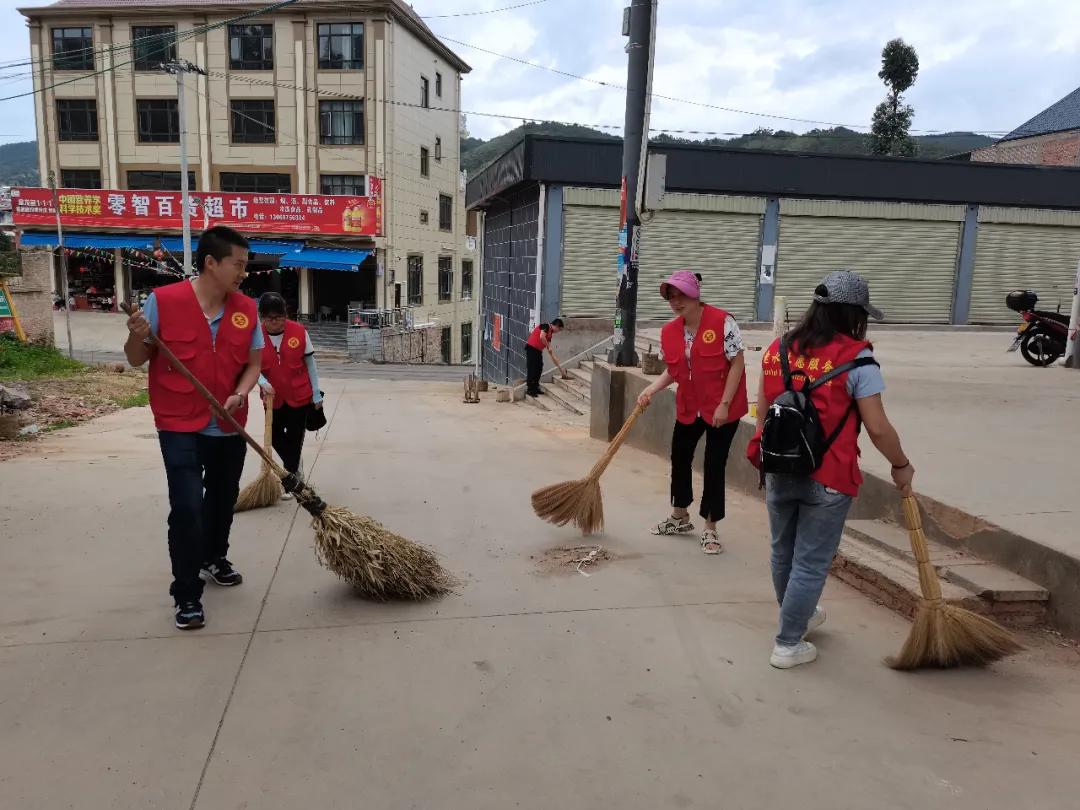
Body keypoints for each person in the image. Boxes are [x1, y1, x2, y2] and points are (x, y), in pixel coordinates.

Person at [748, 270, 914, 670]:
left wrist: (762, 459)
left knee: (782, 552)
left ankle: (799, 617)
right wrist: (901, 465)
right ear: (852, 314)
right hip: (830, 476)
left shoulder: (778, 349)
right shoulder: (858, 359)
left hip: (779, 469)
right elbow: (877, 427)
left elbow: (762, 410)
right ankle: (788, 643)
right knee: (810, 561)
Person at [124, 226, 263, 631]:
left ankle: (213, 556)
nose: (243, 272)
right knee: (186, 507)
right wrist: (136, 337)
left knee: (222, 500)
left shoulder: (246, 309)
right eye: (238, 264)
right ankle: (186, 594)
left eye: (244, 264)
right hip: (178, 422)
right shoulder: (163, 302)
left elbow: (253, 363)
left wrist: (241, 392)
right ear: (211, 263)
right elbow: (136, 358)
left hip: (228, 423)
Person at [637, 270, 748, 555]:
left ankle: (710, 529)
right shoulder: (670, 331)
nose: (676, 302)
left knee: (714, 464)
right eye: (671, 297)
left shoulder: (723, 322)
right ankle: (679, 516)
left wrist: (724, 404)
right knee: (680, 457)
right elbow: (673, 372)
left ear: (695, 294)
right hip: (690, 407)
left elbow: (736, 364)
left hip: (723, 407)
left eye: (681, 295)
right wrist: (651, 390)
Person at [256, 292, 322, 499]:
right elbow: (251, 366)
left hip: (299, 395)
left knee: (295, 439)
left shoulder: (299, 331)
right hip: (271, 397)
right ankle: (294, 465)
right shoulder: (255, 335)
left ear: (286, 315)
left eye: (279, 317)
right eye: (269, 318)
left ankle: (291, 478)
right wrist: (263, 383)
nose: (275, 322)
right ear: (261, 317)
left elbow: (310, 364)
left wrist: (316, 393)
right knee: (274, 437)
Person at [524, 317, 564, 397]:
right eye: (559, 329)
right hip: (532, 348)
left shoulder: (550, 334)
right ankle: (530, 389)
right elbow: (542, 337)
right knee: (532, 368)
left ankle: (535, 387)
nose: (558, 331)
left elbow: (549, 346)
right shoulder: (546, 326)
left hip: (538, 350)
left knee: (539, 367)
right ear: (556, 326)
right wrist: (548, 347)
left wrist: (552, 353)